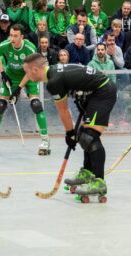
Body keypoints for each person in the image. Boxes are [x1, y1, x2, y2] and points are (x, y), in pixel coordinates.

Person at [23, 53, 117, 198]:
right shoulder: (53, 72)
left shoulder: (54, 81)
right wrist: (73, 132)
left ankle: (99, 182)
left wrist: (69, 133)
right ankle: (87, 172)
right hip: (93, 93)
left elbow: (63, 110)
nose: (26, 75)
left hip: (103, 91)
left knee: (89, 137)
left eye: (27, 72)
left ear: (35, 69)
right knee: (83, 134)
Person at [0, 24, 49, 155]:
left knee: (36, 104)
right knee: (0, 105)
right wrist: (3, 73)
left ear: (21, 37)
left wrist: (18, 89)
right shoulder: (5, 45)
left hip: (29, 74)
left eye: (15, 36)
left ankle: (45, 140)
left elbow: (31, 71)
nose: (12, 38)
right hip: (11, 75)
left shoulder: (30, 48)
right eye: (10, 35)